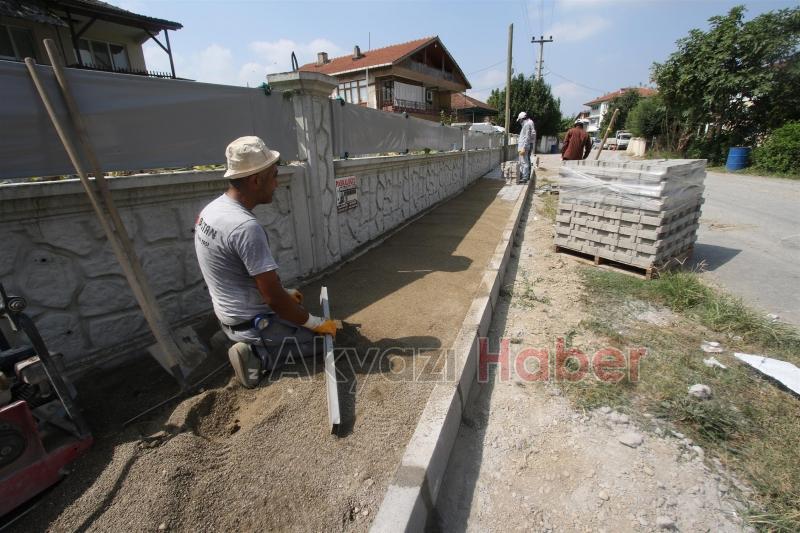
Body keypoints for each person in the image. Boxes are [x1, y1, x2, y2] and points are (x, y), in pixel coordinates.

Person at [194, 136, 337, 388]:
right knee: (323, 341)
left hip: (227, 314)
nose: (277, 183)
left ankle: (228, 336)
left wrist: (285, 293)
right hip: (252, 322)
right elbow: (274, 300)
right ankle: (258, 356)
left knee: (292, 303)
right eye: (273, 175)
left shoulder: (212, 210)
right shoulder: (245, 228)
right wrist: (314, 323)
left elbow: (237, 271)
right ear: (255, 180)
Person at [516, 111, 536, 185]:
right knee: (522, 162)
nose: (519, 122)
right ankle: (523, 176)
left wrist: (524, 148)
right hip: (523, 146)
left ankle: (525, 178)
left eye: (520, 120)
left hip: (524, 147)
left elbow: (527, 137)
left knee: (525, 162)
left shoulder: (527, 125)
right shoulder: (526, 125)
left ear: (522, 119)